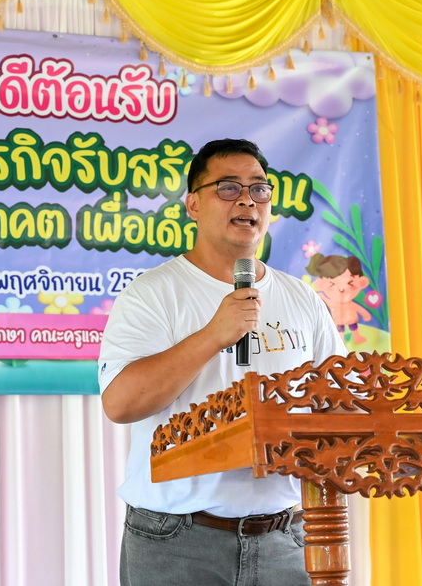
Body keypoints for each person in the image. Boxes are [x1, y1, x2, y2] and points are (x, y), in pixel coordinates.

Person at [98, 138, 348, 586]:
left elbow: (340, 401)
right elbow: (121, 403)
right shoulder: (153, 293)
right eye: (229, 188)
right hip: (178, 542)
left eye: (259, 189)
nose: (248, 200)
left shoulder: (301, 297)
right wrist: (214, 335)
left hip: (285, 538)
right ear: (193, 204)